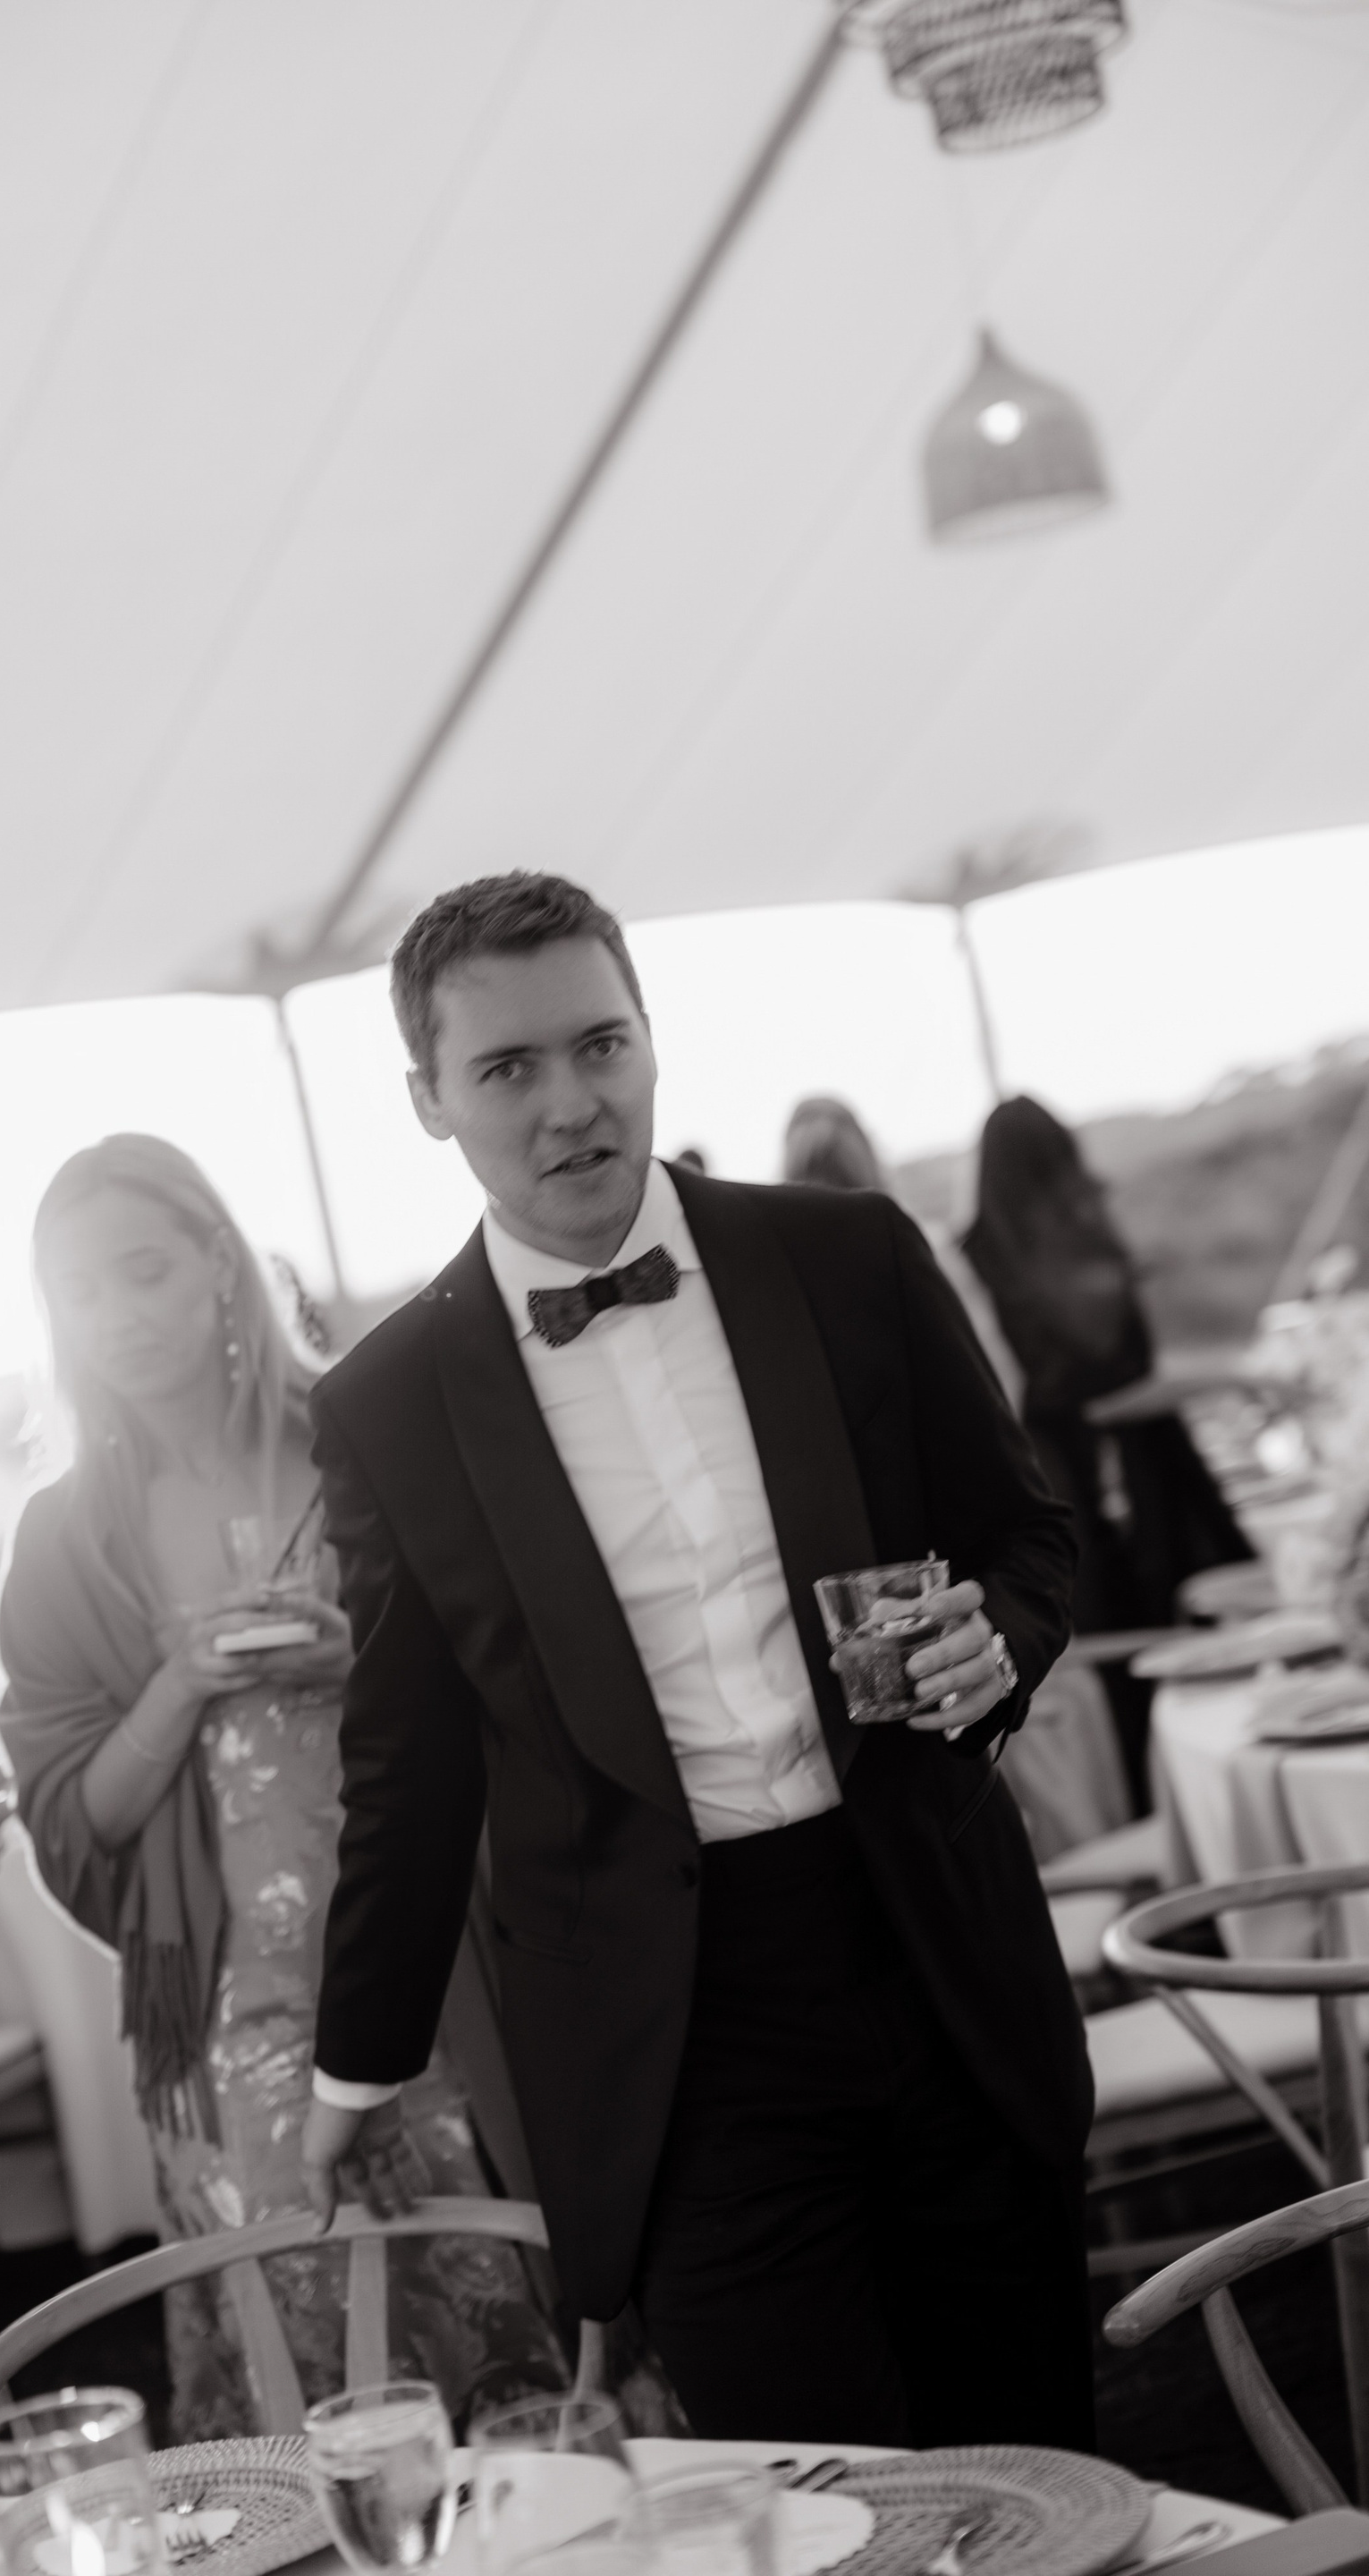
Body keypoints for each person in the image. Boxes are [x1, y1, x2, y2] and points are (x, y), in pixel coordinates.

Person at [300, 873, 1092, 2447]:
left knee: (1042, 2466)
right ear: (429, 1101)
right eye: (508, 1068)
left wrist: (995, 1640)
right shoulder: (387, 1403)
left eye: (601, 1045)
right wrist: (355, 2070)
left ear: (650, 1037)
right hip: (674, 2037)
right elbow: (408, 1761)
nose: (571, 1104)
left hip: (934, 1945)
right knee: (819, 2500)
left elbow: (1031, 1533)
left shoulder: (849, 1255)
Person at [0, 1136, 561, 2437]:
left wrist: (360, 1656)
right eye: (80, 1289)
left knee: (518, 2321)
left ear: (217, 1262)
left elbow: (531, 1666)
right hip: (234, 2018)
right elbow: (74, 1821)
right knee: (318, 2374)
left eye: (144, 1269)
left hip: (451, 1962)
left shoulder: (363, 1439)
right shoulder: (64, 1539)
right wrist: (180, 1684)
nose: (117, 1314)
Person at [961, 1097, 1253, 1801]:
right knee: (1177, 1642)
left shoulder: (987, 1258)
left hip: (1063, 1486)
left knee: (1136, 1661)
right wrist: (1240, 1376)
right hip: (1122, 1485)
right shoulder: (1064, 1244)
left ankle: (1180, 1800)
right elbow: (1098, 1394)